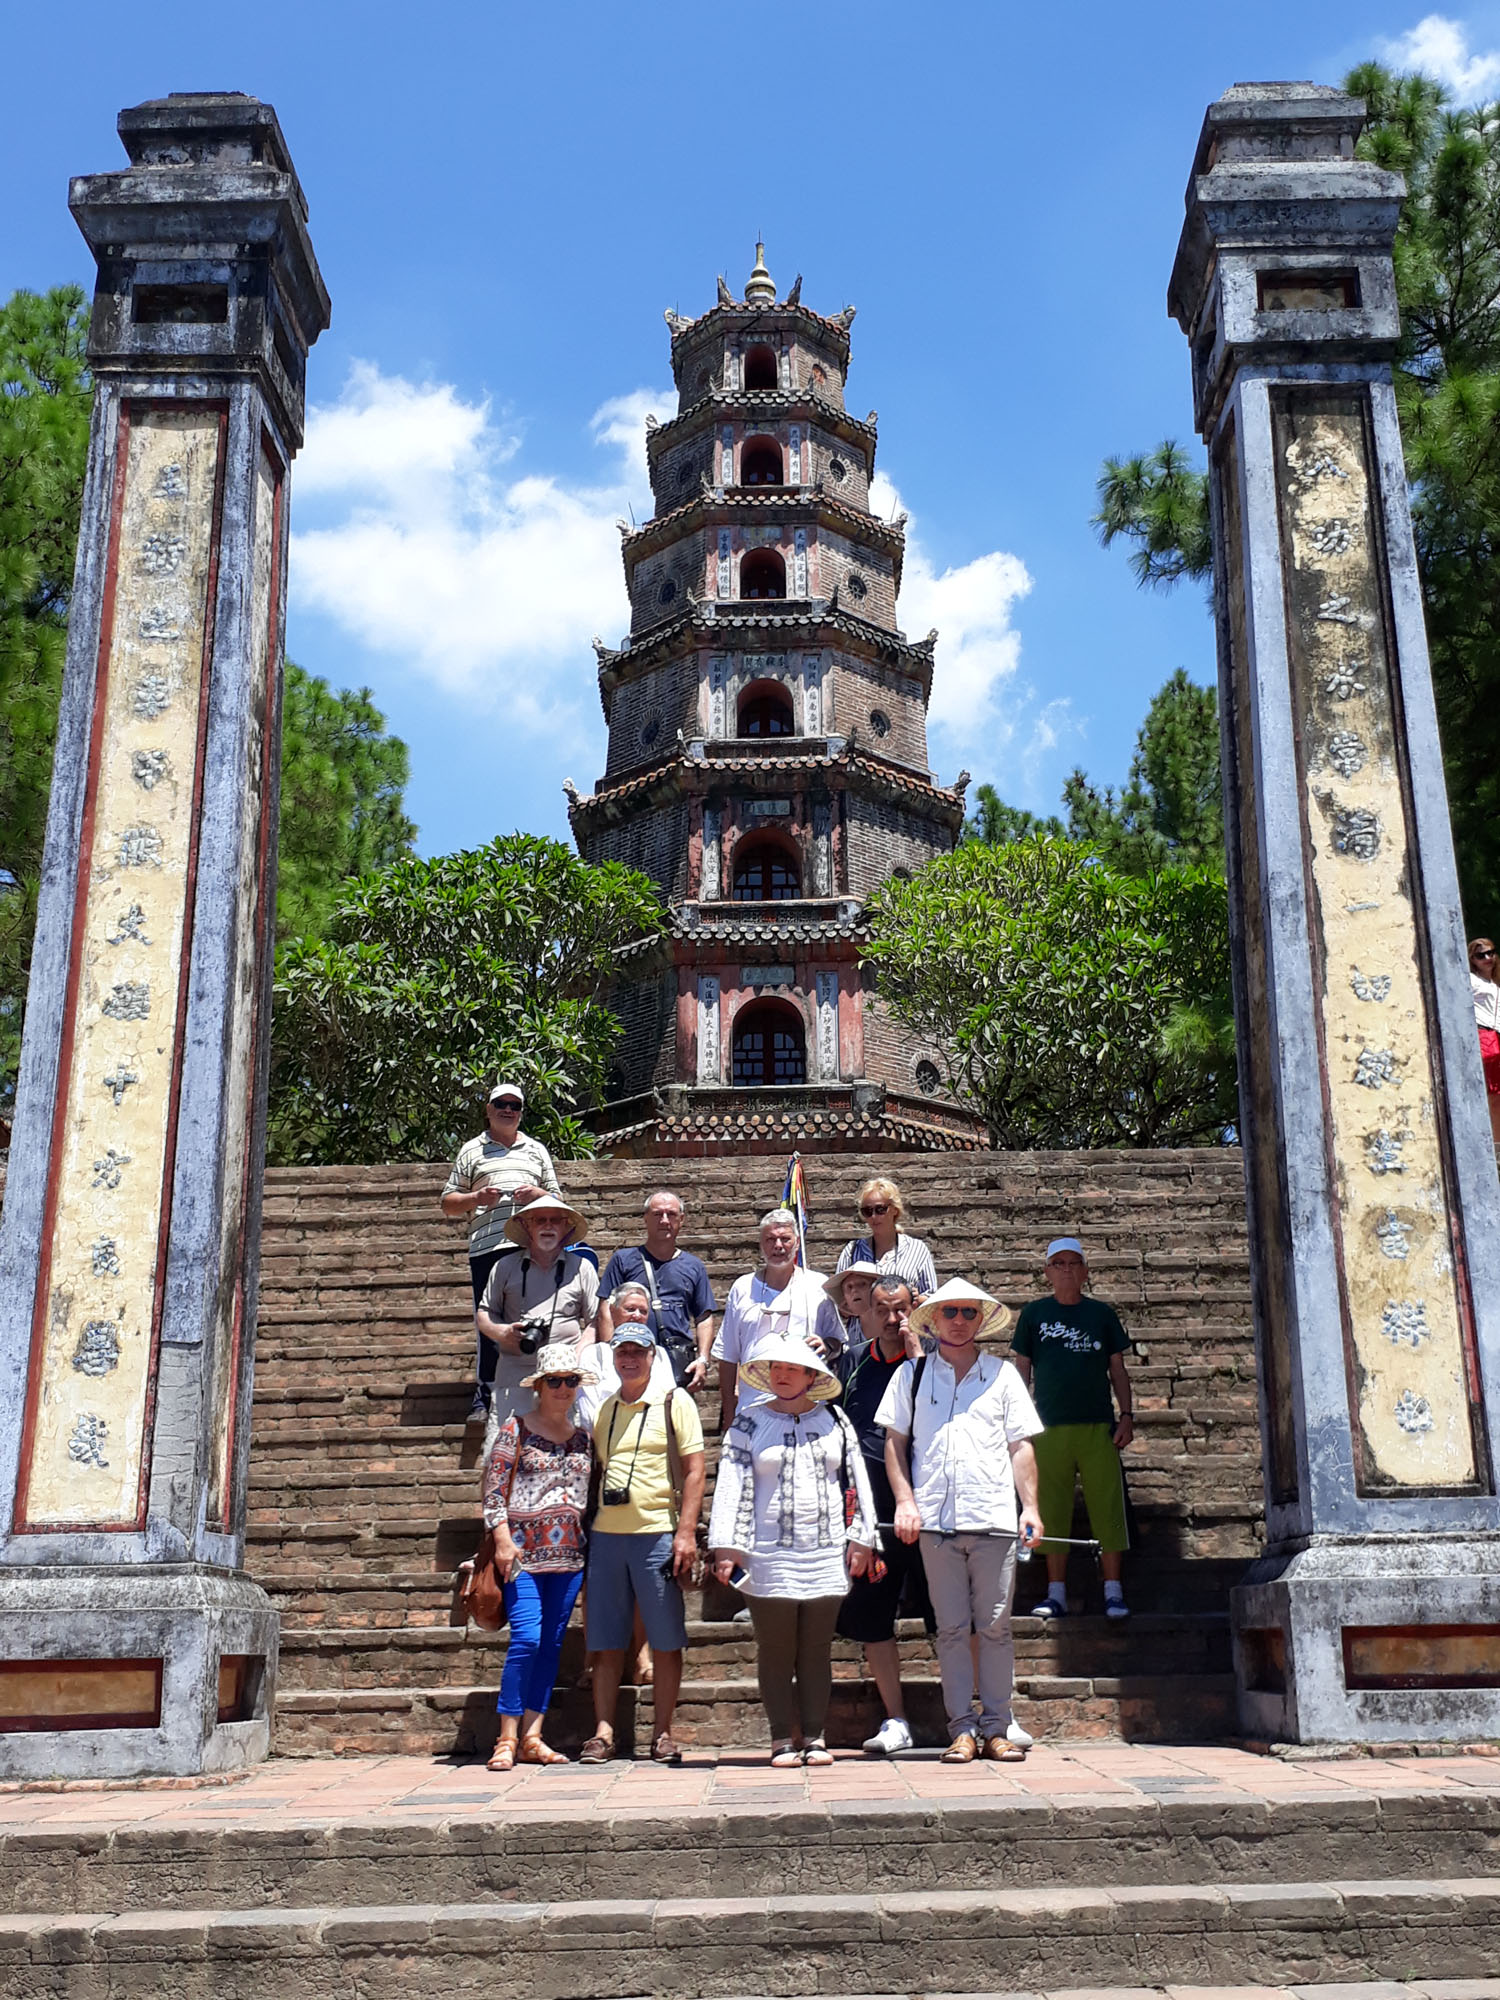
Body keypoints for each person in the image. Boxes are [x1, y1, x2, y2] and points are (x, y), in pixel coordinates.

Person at [879, 1277, 1043, 1764]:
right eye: (949, 1312)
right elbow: (895, 1445)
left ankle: (997, 1726)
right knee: (951, 1629)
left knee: (994, 1628)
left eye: (968, 1313)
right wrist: (905, 1503)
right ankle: (962, 1729)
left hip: (992, 1519)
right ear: (934, 1320)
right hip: (935, 1523)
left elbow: (1021, 1445)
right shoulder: (910, 1375)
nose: (958, 1321)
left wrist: (1030, 1507)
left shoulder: (1003, 1375)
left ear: (980, 1321)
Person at [709, 1337, 877, 1765]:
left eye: (792, 1368)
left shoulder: (835, 1421)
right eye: (775, 1368)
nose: (782, 1374)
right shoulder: (747, 1423)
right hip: (767, 1553)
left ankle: (816, 1736)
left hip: (825, 1550)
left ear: (811, 1376)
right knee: (777, 1647)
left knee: (817, 1648)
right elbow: (729, 1485)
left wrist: (863, 1537)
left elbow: (856, 1480)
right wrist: (727, 1548)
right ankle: (782, 1736)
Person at [582, 1322, 705, 1766]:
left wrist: (686, 1532)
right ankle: (604, 1732)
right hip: (607, 1535)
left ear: (653, 1355)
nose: (628, 1358)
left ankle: (663, 1732)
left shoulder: (675, 1402)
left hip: (656, 1531)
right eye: (621, 1352)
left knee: (666, 1638)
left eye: (637, 1351)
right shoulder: (606, 1410)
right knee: (606, 1639)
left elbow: (694, 1470)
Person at [480, 1342, 596, 1771]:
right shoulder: (516, 1429)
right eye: (555, 1381)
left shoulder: (584, 1438)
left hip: (569, 1556)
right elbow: (492, 1492)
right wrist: (503, 1540)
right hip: (523, 1556)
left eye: (570, 1381)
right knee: (527, 1638)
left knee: (551, 1645)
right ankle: (506, 1735)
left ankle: (533, 1734)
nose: (563, 1388)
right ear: (540, 1386)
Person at [834, 1275, 934, 1756]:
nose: (893, 1320)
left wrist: (917, 1358)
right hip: (873, 1514)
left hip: (932, 1506)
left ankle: (978, 1712)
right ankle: (896, 1718)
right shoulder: (852, 1363)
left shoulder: (933, 1361)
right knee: (874, 1617)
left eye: (901, 1309)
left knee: (950, 1616)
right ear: (867, 1314)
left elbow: (941, 1417)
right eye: (883, 1310)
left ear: (915, 1308)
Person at [1010, 1236, 1135, 1622]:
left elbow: (1117, 1369)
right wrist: (1019, 1420)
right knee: (1051, 1509)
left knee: (1108, 1508)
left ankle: (1113, 1591)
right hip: (1048, 1429)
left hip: (1098, 1425)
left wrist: (1127, 1415)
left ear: (1084, 1271)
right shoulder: (1034, 1315)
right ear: (1047, 1272)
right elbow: (1021, 1370)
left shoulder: (1101, 1314)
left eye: (1073, 1263)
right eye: (1058, 1263)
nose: (1066, 1269)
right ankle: (1056, 1593)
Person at [441, 1082, 561, 1418]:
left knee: (534, 1318)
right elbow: (448, 1203)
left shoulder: (536, 1150)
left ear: (521, 1112)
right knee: (489, 1320)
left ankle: (536, 1392)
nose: (508, 1110)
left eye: (514, 1105)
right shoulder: (471, 1151)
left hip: (531, 1247)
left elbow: (557, 1198)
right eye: (501, 1104)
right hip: (488, 1247)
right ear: (488, 1109)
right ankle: (486, 1394)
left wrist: (536, 1194)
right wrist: (477, 1199)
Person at [477, 1195, 602, 1437]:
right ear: (527, 1226)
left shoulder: (582, 1268)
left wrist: (577, 1354)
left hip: (563, 1377)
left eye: (555, 1221)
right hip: (515, 1370)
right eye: (540, 1220)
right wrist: (502, 1332)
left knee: (563, 1446)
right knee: (504, 1445)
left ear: (566, 1227)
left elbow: (596, 1321)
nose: (548, 1226)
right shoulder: (504, 1267)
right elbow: (484, 1313)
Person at [714, 1207, 830, 1426]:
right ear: (761, 1245)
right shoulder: (742, 1287)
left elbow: (836, 1342)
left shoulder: (818, 1285)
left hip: (807, 1409)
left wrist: (828, 1346)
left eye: (785, 1239)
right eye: (770, 1239)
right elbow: (728, 1355)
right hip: (753, 1408)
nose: (778, 1246)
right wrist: (729, 1413)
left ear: (797, 1242)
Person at [598, 1191, 718, 1389]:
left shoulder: (693, 1266)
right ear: (645, 1218)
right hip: (632, 1357)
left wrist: (703, 1359)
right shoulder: (623, 1260)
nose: (664, 1220)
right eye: (657, 1214)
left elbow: (704, 1316)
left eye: (670, 1214)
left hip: (676, 1360)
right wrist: (610, 1351)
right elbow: (606, 1309)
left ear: (682, 1219)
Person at [832, 1177, 938, 1329]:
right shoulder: (852, 1251)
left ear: (894, 1209)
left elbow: (933, 1299)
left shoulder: (917, 1249)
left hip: (905, 1333)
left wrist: (914, 1297)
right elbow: (838, 1301)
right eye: (867, 1211)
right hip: (863, 1338)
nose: (874, 1216)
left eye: (880, 1209)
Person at [577, 1284, 676, 1425]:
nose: (637, 1315)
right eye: (630, 1309)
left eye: (643, 1311)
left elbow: (669, 1403)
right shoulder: (594, 1355)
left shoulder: (658, 1354)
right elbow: (588, 1415)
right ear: (612, 1310)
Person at [816, 1262, 882, 1360]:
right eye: (849, 1287)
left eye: (862, 1284)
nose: (854, 1290)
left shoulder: (892, 1329)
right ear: (845, 1302)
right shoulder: (848, 1339)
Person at [1471, 938, 1500, 1145]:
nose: (1487, 958)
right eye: (1481, 955)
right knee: (1491, 1093)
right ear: (1472, 959)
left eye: (1490, 953)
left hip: (1496, 1036)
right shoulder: (1471, 980)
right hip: (1484, 1036)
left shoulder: (1494, 983)